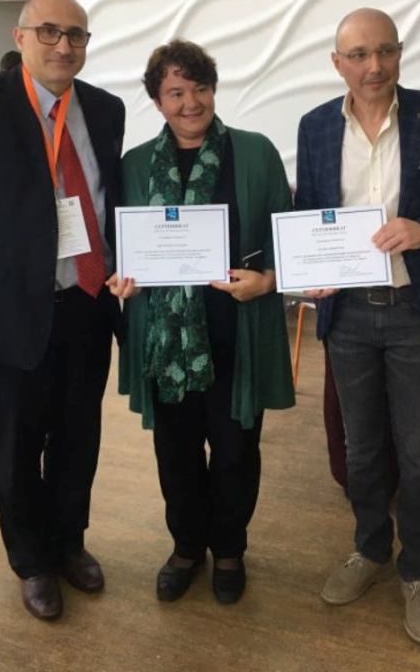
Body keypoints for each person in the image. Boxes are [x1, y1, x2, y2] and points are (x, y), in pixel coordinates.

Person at [294, 8, 420, 645]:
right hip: (348, 314)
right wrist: (311, 268)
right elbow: (310, 211)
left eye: (384, 51)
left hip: (416, 311)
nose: (374, 66)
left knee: (419, 452)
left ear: (399, 53)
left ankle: (418, 571)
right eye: (358, 55)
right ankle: (370, 548)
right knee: (361, 448)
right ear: (338, 64)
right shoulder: (316, 126)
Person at [0, 0, 125, 622]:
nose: (63, 45)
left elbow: (108, 202)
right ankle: (31, 561)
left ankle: (68, 542)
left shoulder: (106, 109)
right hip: (8, 316)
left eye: (76, 35)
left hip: (88, 304)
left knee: (78, 436)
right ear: (20, 36)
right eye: (49, 32)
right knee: (15, 447)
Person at [107, 39, 294, 605]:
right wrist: (122, 277)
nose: (191, 103)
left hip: (235, 332)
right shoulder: (134, 164)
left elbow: (285, 237)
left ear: (214, 90)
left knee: (236, 452)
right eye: (175, 92)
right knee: (176, 452)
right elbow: (120, 245)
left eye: (200, 88)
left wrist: (268, 281)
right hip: (166, 342)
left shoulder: (255, 153)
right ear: (157, 101)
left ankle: (230, 548)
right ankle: (187, 547)